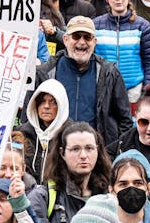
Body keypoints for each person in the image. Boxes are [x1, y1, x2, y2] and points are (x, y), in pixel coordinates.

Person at [35, 16, 133, 147]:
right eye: (76, 36)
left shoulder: (109, 73)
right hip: (55, 154)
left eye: (87, 37)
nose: (81, 42)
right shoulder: (45, 72)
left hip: (98, 154)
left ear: (94, 41)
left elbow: (125, 120)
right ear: (65, 39)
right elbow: (30, 118)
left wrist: (111, 153)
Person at [28, 122, 113, 223]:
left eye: (89, 148)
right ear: (62, 153)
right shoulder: (44, 197)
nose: (83, 155)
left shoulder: (109, 196)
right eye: (75, 149)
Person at [93, 0, 150, 103]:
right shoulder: (96, 25)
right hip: (103, 88)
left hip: (134, 89)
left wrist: (147, 87)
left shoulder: (142, 26)